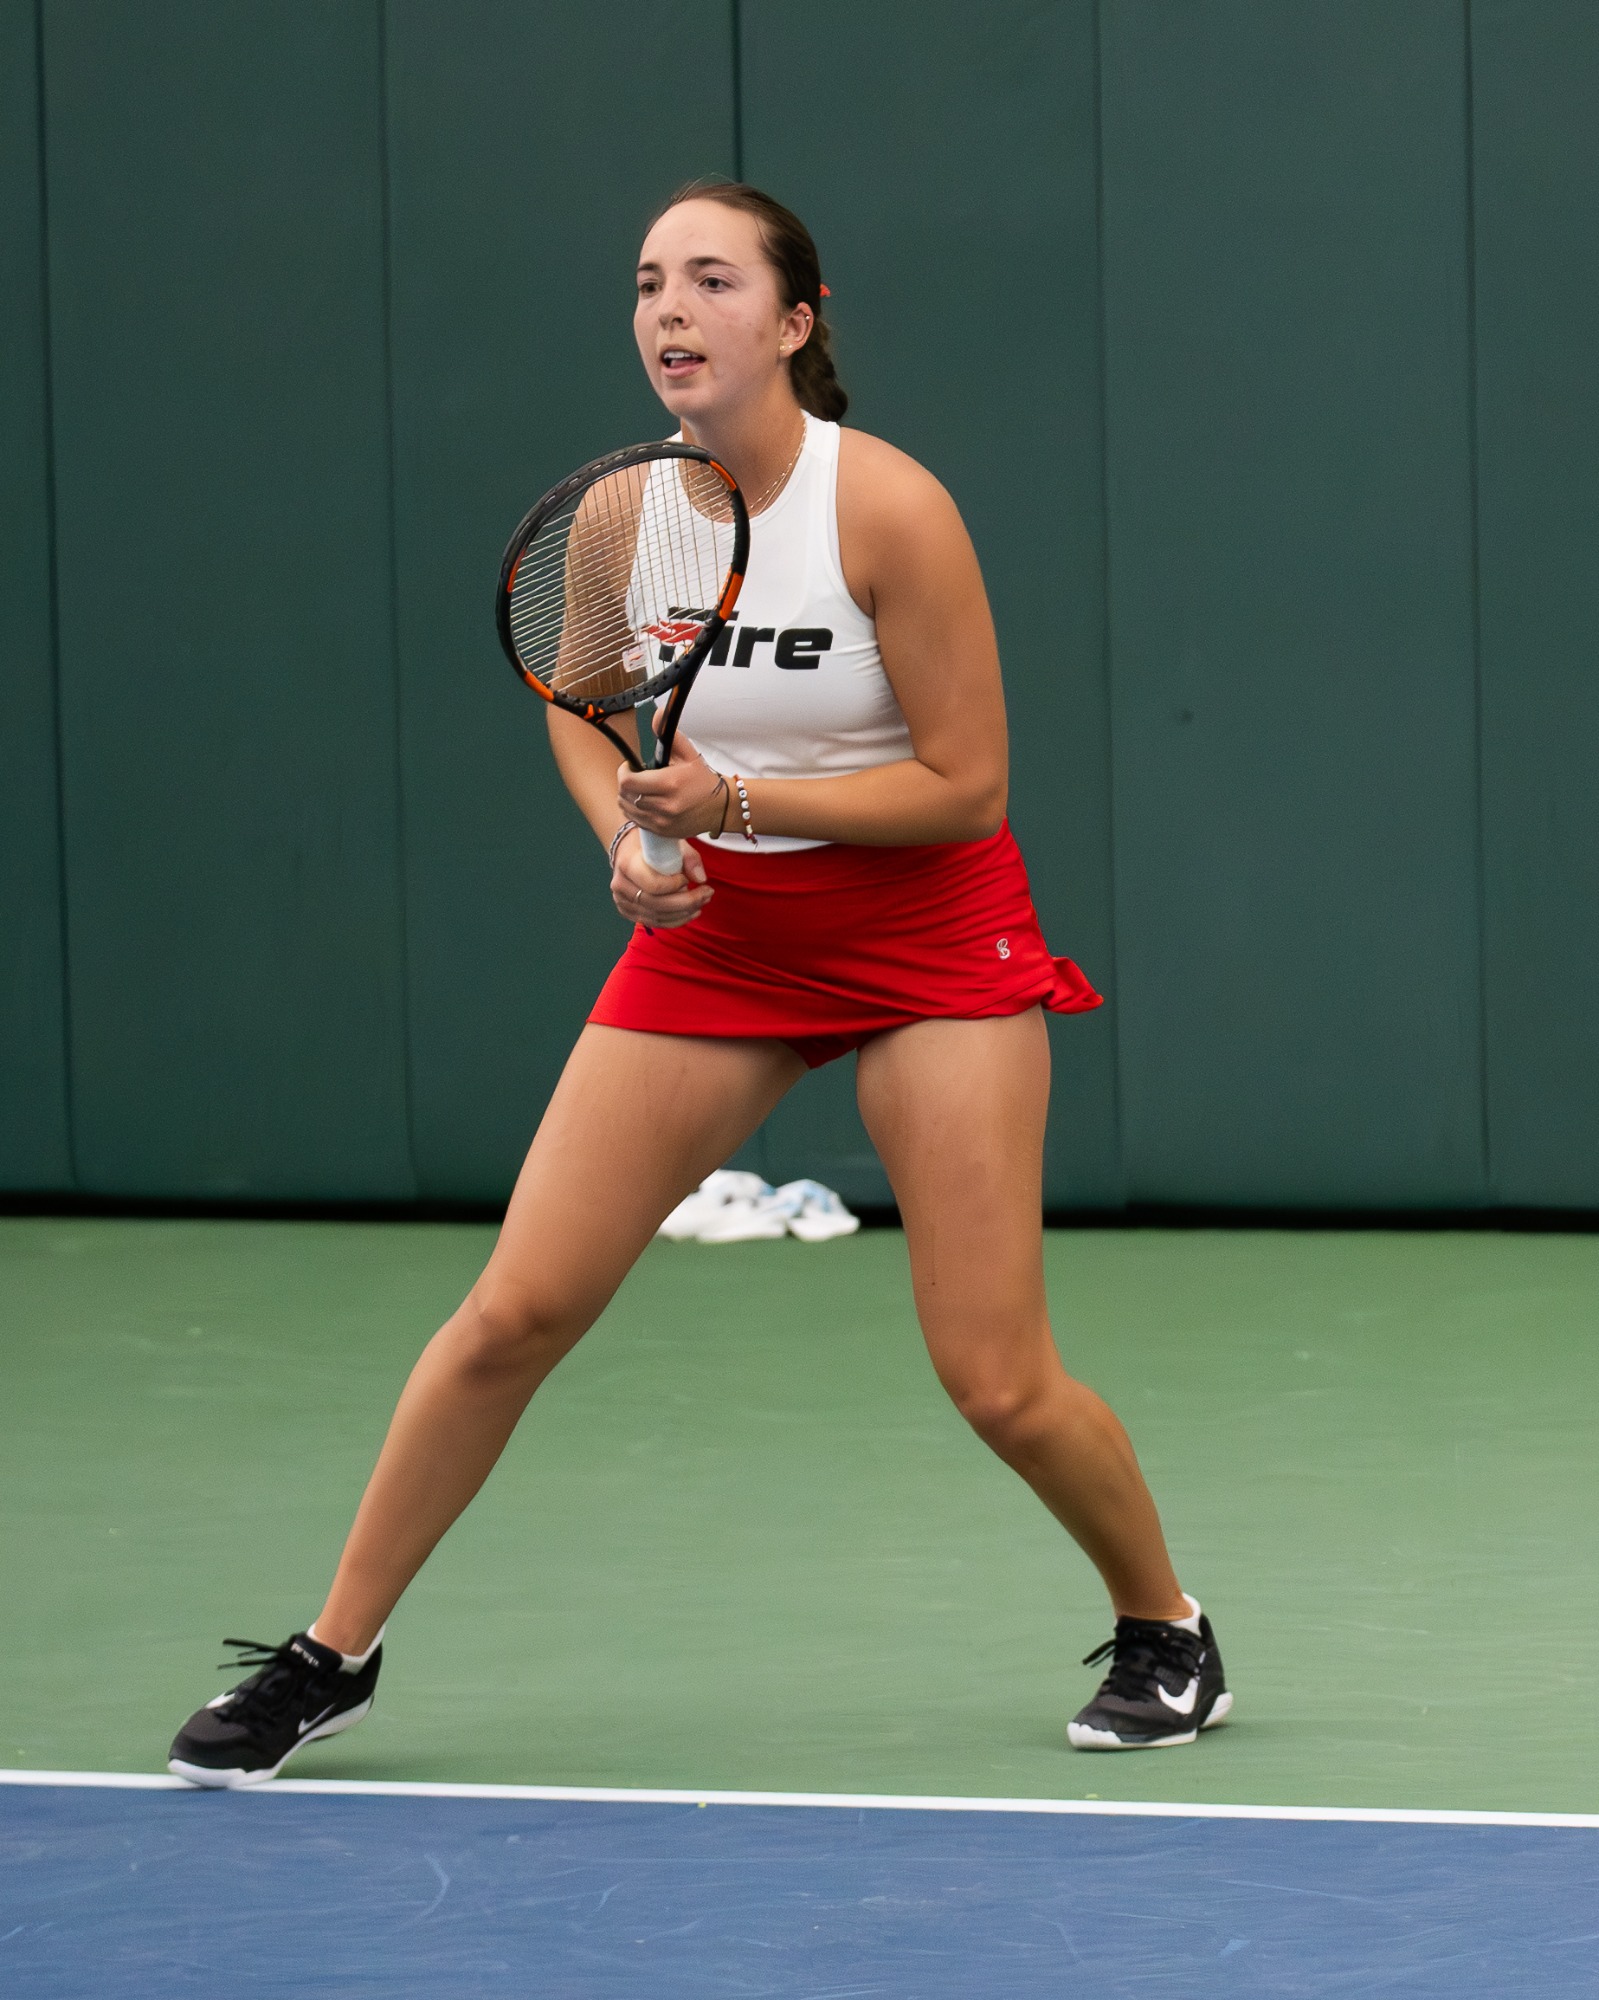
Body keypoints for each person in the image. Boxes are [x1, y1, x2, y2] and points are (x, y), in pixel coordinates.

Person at [168, 181, 1229, 1787]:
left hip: (929, 940)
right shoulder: (621, 515)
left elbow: (969, 786)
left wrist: (737, 805)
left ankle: (1167, 1626)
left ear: (794, 321)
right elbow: (585, 705)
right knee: (513, 1309)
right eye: (650, 282)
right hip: (719, 942)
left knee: (994, 1374)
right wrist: (627, 840)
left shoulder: (889, 511)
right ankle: (333, 1655)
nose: (670, 309)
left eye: (712, 281)